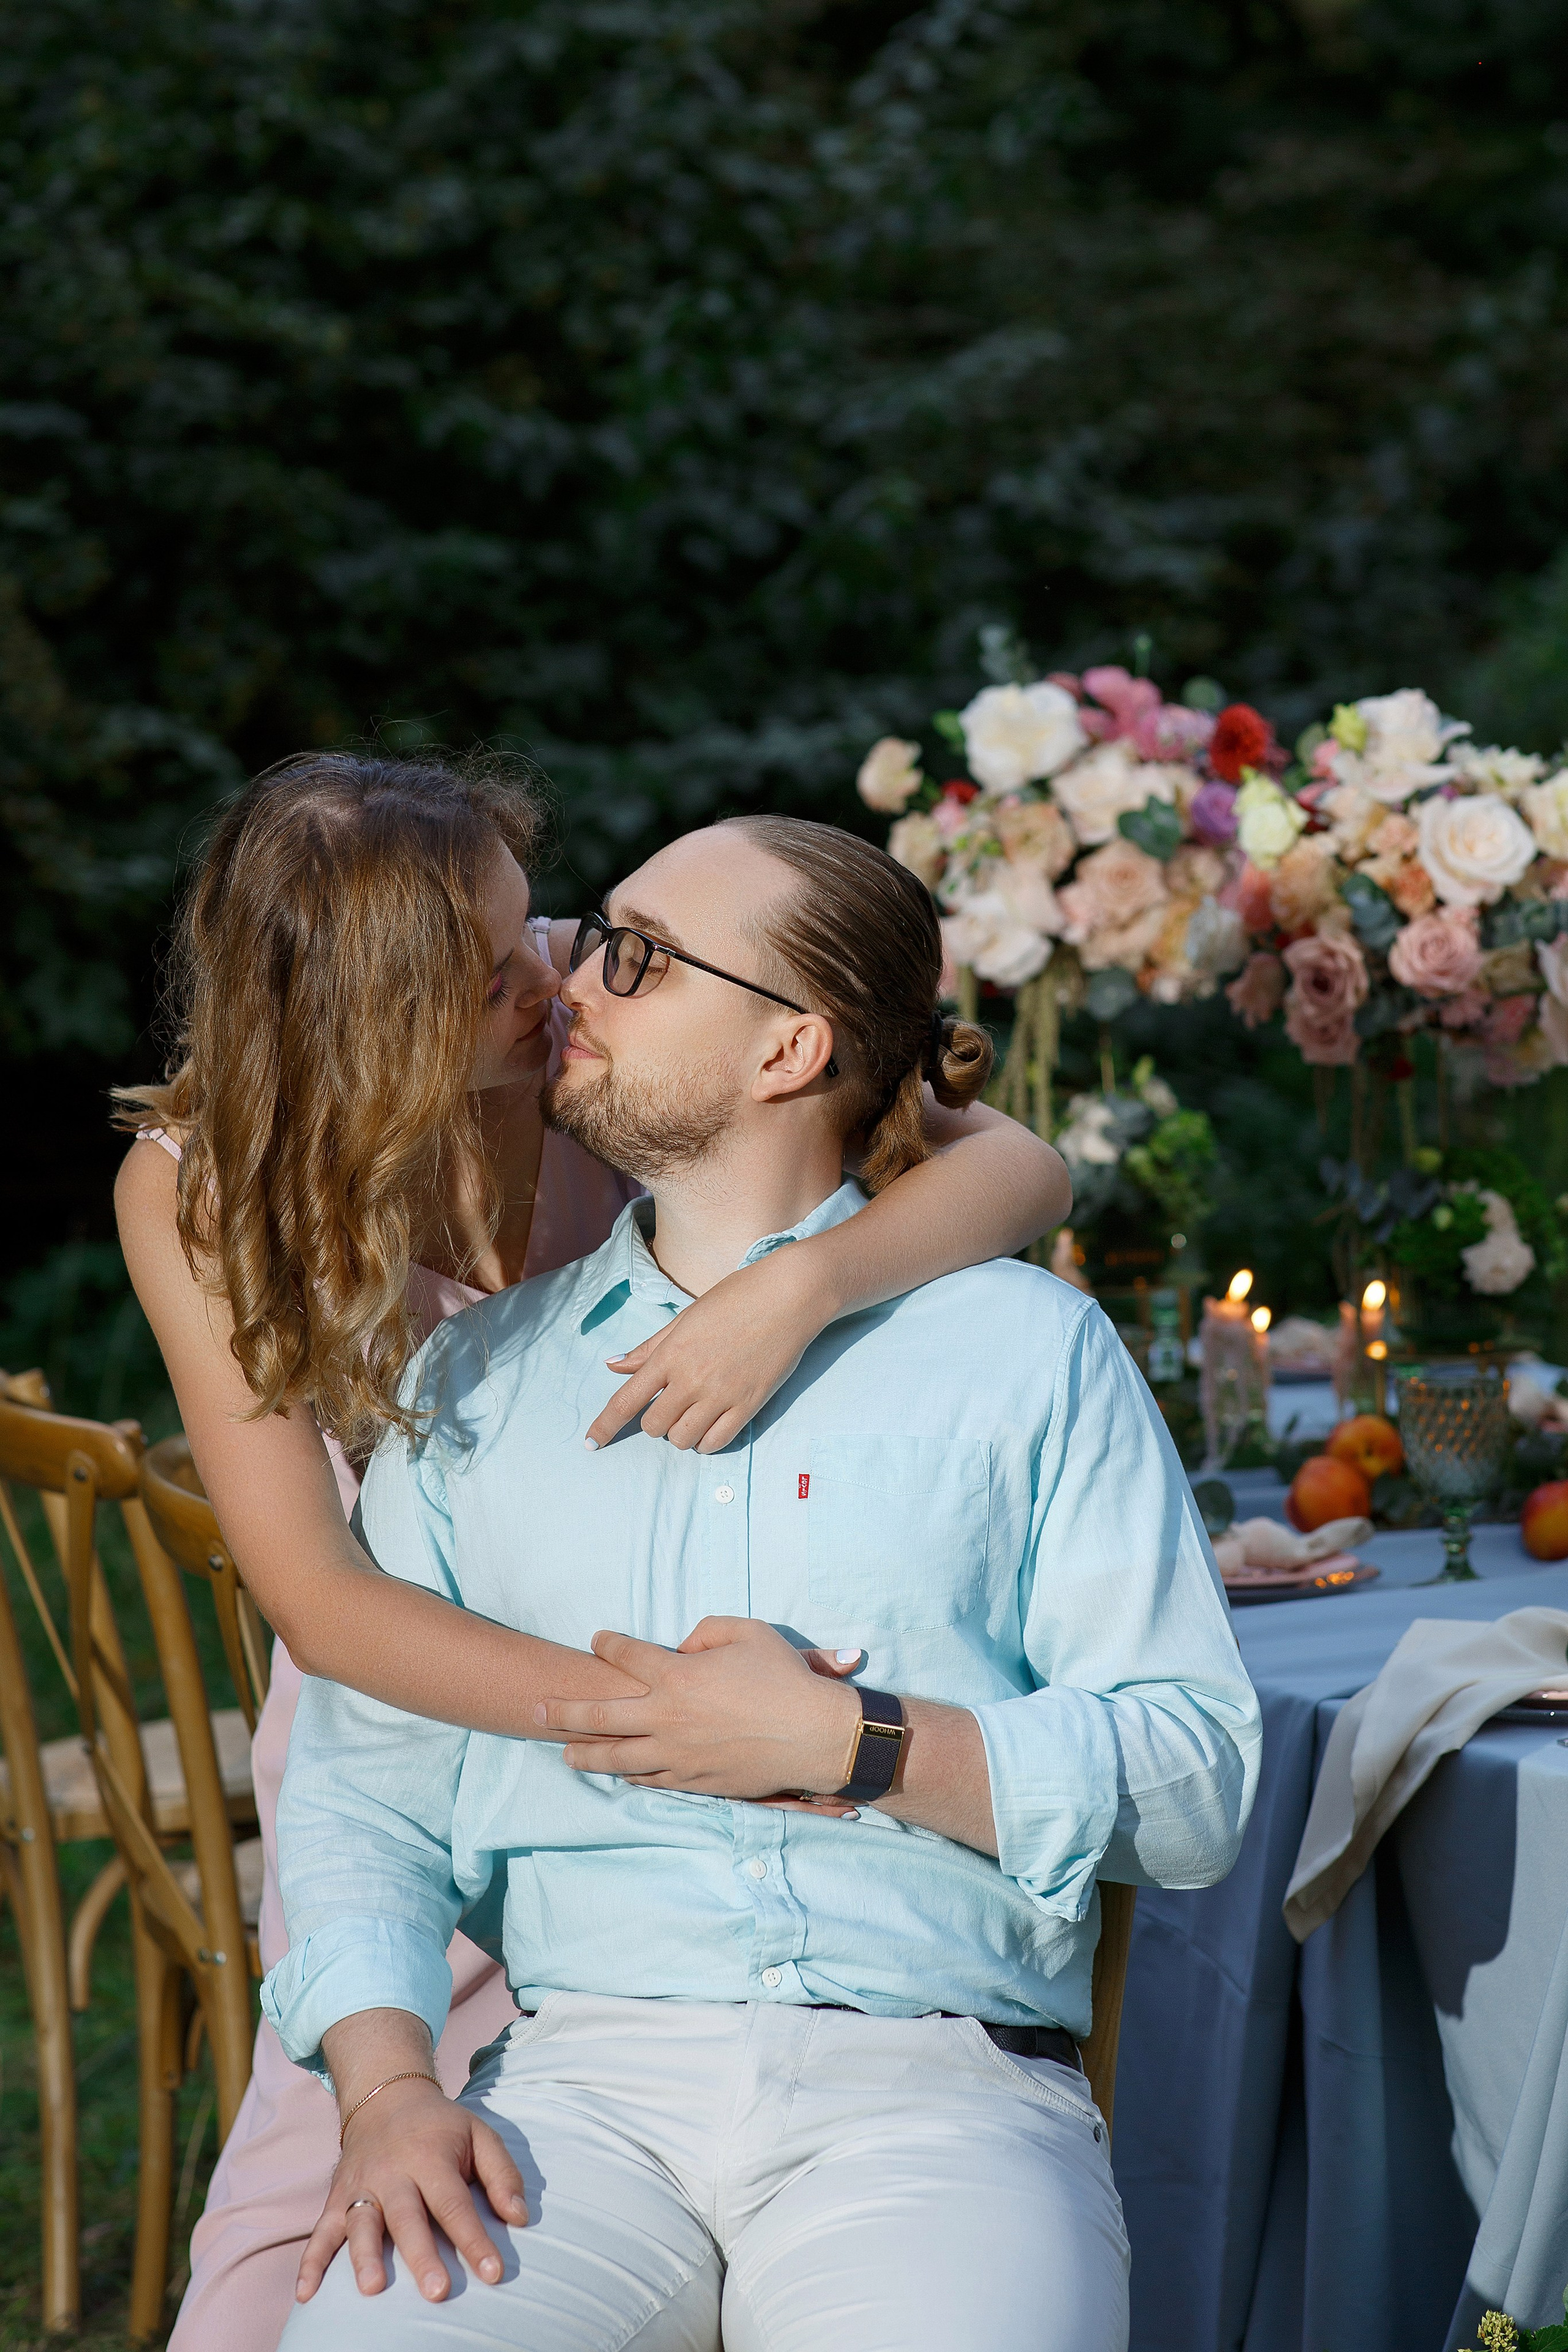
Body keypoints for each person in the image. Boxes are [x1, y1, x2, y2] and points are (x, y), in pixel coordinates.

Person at [262, 813, 1262, 2352]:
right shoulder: (479, 1380)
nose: (567, 980)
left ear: (789, 1048)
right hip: (573, 2093)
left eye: (638, 956)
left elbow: (1196, 1786)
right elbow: (362, 1793)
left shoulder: (1025, 1350)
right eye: (595, 931)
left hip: (935, 2097)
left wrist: (856, 1744)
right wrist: (390, 2093)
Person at [112, 753, 1072, 2349]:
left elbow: (1020, 1166)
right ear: (378, 1023)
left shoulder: (598, 1043)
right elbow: (325, 1600)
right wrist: (681, 1730)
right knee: (323, 2258)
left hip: (717, 1733)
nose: (554, 972)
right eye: (498, 970)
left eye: (534, 923)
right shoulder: (207, 1193)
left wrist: (802, 1285)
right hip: (426, 1733)